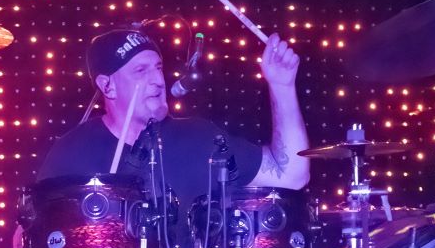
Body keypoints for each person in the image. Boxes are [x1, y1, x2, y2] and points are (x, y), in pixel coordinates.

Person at [34, 26, 311, 225]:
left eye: (158, 68)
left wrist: (282, 85)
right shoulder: (73, 151)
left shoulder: (200, 139)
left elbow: (291, 175)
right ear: (108, 86)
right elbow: (29, 238)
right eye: (141, 71)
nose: (158, 80)